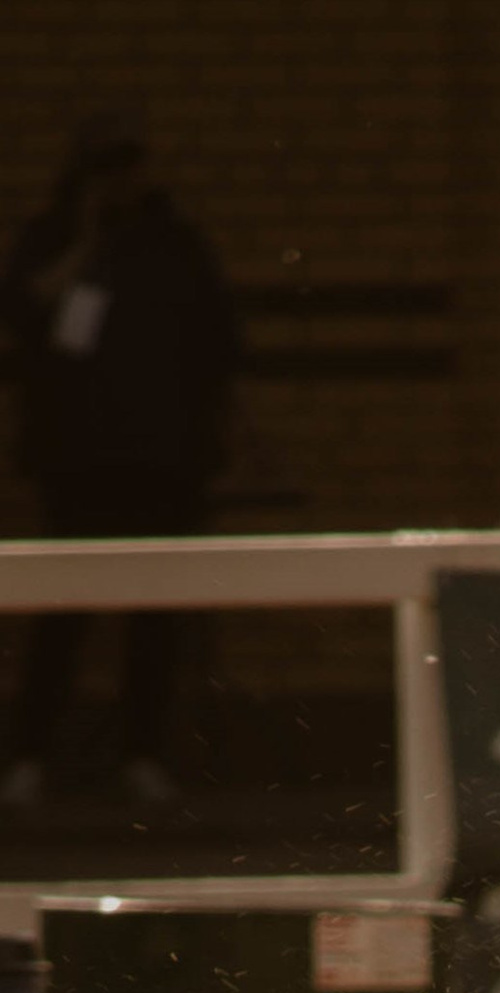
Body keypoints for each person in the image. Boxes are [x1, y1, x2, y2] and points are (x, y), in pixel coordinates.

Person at [1, 112, 238, 812]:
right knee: (62, 615)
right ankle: (30, 757)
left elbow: (217, 343)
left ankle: (143, 756)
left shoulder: (174, 244)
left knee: (153, 617)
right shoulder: (55, 240)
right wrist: (85, 241)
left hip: (162, 463)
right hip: (77, 463)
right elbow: (25, 312)